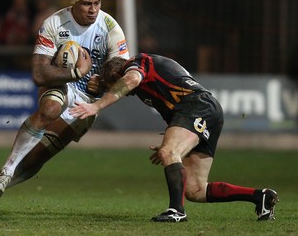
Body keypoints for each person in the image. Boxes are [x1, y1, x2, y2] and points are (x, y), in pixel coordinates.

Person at [0, 0, 129, 215]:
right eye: (86, 4)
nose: (93, 10)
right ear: (73, 3)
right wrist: (75, 72)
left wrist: (101, 84)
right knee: (50, 109)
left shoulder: (110, 26)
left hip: (88, 101)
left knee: (38, 157)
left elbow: (120, 71)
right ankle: (6, 170)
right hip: (63, 84)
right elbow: (39, 74)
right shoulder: (55, 23)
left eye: (97, 3)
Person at [69, 53, 279, 222]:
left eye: (111, 84)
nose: (120, 91)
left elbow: (131, 79)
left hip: (197, 106)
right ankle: (260, 196)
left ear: (117, 73)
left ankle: (176, 211)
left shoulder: (137, 63)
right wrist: (169, 144)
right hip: (206, 110)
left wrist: (95, 105)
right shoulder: (147, 85)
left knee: (170, 152)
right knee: (196, 189)